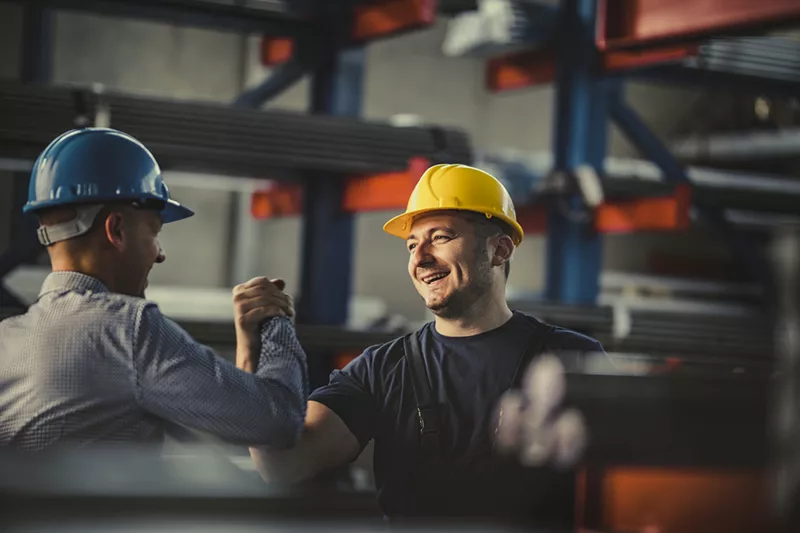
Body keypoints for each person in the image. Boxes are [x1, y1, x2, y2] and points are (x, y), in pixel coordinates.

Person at [246, 164, 604, 526]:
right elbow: (283, 464)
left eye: (441, 237)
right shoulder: (380, 370)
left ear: (499, 250)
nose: (419, 258)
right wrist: (253, 351)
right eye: (413, 244)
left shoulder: (572, 359)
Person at [0, 127, 308, 451]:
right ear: (116, 229)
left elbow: (233, 425)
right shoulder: (127, 330)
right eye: (154, 232)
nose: (159, 254)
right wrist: (275, 320)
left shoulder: (7, 340)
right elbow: (280, 420)